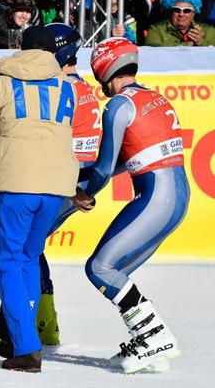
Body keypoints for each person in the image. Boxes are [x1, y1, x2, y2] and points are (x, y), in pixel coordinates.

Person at [73, 38, 189, 373]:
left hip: (156, 198)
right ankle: (150, 338)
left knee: (100, 269)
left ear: (104, 70)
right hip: (176, 197)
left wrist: (82, 190)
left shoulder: (118, 105)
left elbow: (105, 168)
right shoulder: (154, 96)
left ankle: (155, 337)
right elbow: (133, 157)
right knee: (115, 271)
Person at [0, 26, 79, 372]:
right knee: (30, 259)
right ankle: (22, 338)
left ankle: (27, 346)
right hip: (57, 186)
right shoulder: (67, 87)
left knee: (6, 261)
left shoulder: (2, 81)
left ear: (20, 47)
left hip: (17, 183)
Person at [145, 0, 215, 46]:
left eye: (187, 10)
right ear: (171, 11)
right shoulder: (156, 30)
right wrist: (187, 44)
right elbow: (153, 54)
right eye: (177, 10)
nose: (181, 14)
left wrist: (200, 42)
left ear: (193, 13)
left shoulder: (208, 31)